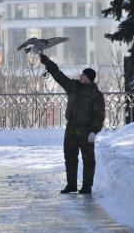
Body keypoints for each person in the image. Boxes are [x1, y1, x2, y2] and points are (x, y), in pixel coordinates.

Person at [39, 53, 105, 194]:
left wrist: (94, 131)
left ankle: (87, 186)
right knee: (69, 157)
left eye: (83, 75)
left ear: (89, 78)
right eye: (81, 75)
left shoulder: (96, 95)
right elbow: (59, 75)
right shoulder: (73, 87)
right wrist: (47, 63)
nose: (81, 76)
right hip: (71, 128)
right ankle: (71, 185)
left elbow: (99, 116)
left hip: (86, 130)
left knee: (88, 160)